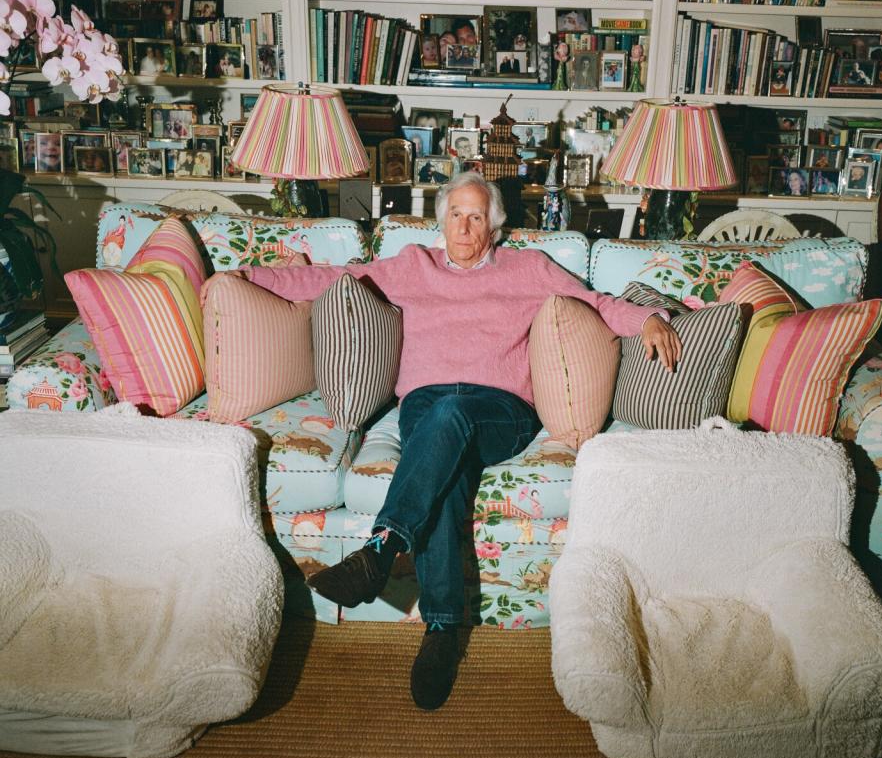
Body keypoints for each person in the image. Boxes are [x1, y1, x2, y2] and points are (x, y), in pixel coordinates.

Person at [211, 172, 681, 711]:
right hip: (426, 409)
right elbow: (335, 277)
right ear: (441, 220)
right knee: (443, 467)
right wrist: (241, 276)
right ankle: (441, 631)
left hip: (500, 411)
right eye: (456, 213)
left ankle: (382, 548)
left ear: (495, 227)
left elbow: (593, 301)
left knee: (451, 415)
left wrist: (648, 319)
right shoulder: (413, 266)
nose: (464, 225)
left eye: (476, 216)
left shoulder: (528, 269)